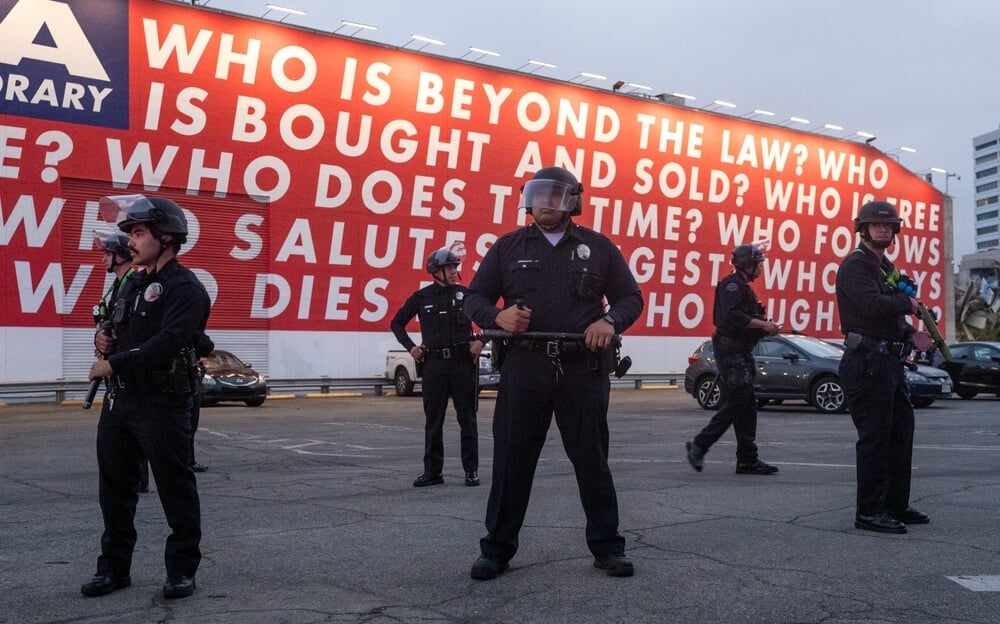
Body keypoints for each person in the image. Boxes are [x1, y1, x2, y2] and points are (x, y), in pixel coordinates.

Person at [462, 166, 644, 580]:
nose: (545, 204)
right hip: (525, 366)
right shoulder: (508, 247)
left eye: (555, 196)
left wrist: (610, 322)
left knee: (591, 460)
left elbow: (631, 297)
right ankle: (496, 549)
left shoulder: (598, 248)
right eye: (538, 195)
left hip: (582, 367)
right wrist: (497, 316)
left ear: (573, 201)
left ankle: (607, 547)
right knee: (511, 459)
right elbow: (473, 297)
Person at [81, 195, 211, 600]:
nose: (131, 242)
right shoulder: (131, 283)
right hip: (120, 405)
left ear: (166, 237)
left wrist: (113, 363)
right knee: (115, 492)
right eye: (131, 234)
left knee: (176, 489)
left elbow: (167, 343)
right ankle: (114, 570)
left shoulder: (186, 288)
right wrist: (101, 338)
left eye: (138, 233)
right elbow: (111, 327)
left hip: (162, 404)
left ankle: (181, 571)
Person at [835, 201, 934, 534]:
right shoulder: (855, 266)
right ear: (862, 229)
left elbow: (891, 314)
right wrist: (908, 303)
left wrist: (912, 333)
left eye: (889, 226)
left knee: (901, 435)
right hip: (866, 363)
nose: (883, 229)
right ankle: (869, 512)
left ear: (895, 231)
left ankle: (895, 504)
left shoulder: (884, 268)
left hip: (889, 363)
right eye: (876, 225)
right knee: (875, 439)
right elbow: (870, 305)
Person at [686, 243, 782, 475]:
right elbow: (733, 317)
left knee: (748, 405)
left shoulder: (743, 287)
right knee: (739, 400)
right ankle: (699, 445)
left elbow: (746, 319)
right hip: (731, 352)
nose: (761, 268)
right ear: (747, 264)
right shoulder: (731, 285)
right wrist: (763, 324)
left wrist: (766, 328)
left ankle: (747, 459)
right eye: (758, 263)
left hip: (742, 352)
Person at [390, 248, 483, 487]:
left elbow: (491, 320)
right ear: (436, 271)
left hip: (463, 364)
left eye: (455, 268)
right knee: (433, 421)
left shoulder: (467, 295)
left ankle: (471, 470)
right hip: (434, 366)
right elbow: (397, 323)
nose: (454, 272)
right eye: (449, 268)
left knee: (468, 419)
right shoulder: (421, 298)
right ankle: (433, 472)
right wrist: (411, 347)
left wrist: (480, 341)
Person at [92, 229, 149, 494]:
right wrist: (100, 338)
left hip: (132, 374)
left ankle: (139, 479)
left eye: (107, 253)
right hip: (116, 373)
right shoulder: (116, 287)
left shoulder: (135, 283)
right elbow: (106, 323)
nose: (103, 259)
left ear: (122, 255)